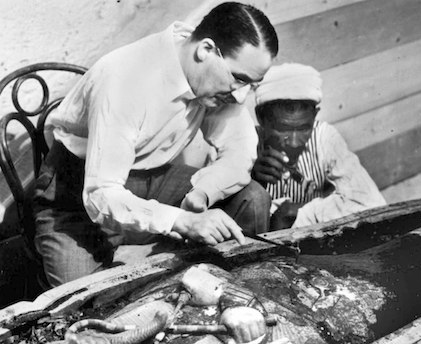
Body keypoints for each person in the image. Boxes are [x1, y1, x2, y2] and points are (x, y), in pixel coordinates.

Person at [33, 3, 278, 287]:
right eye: (239, 79)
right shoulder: (125, 79)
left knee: (252, 198)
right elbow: (101, 195)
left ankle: (242, 293)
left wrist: (204, 192)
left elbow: (239, 149)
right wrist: (182, 220)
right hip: (77, 195)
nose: (241, 95)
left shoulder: (213, 74)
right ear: (206, 50)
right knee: (87, 301)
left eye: (252, 84)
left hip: (151, 181)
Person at [251, 63, 387, 230]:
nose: (294, 142)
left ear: (315, 115)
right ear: (261, 118)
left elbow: (371, 203)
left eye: (304, 128)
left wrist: (295, 213)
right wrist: (251, 180)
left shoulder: (325, 137)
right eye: (282, 128)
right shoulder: (246, 143)